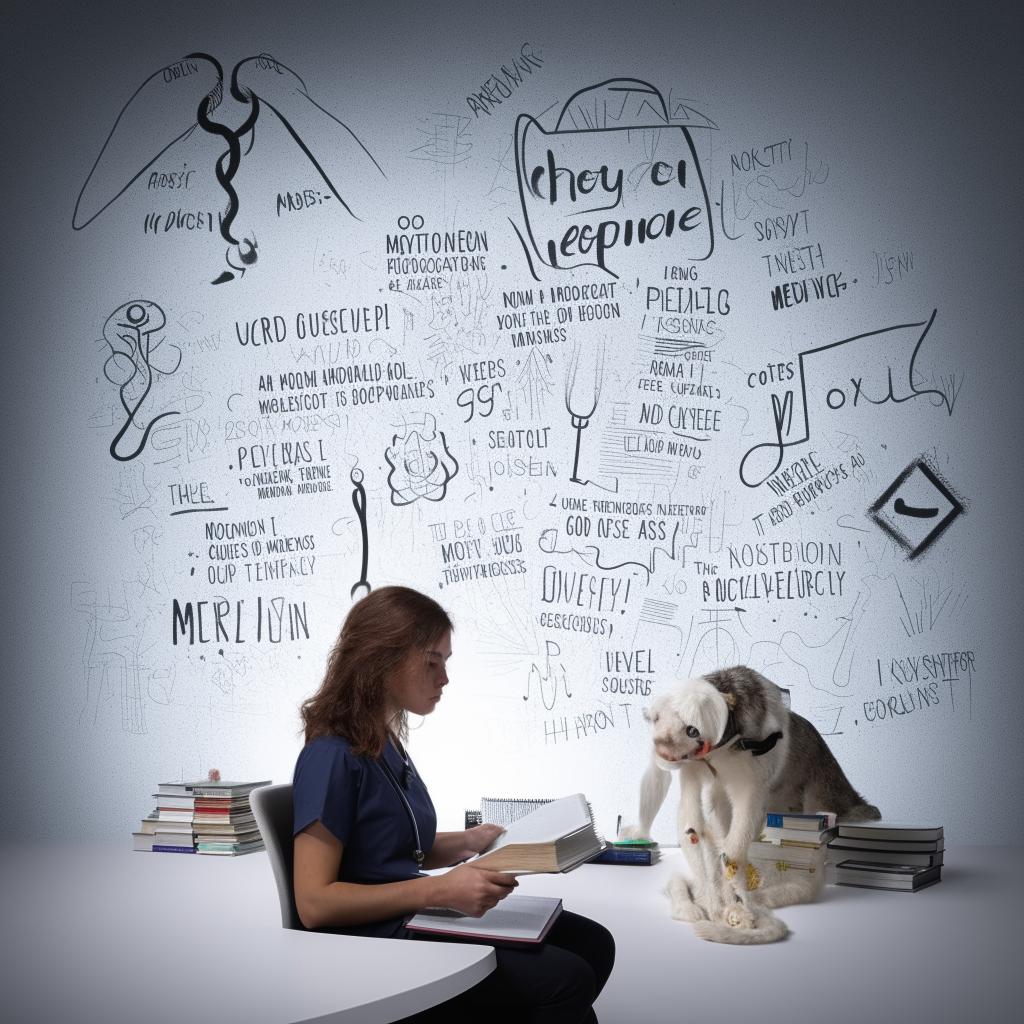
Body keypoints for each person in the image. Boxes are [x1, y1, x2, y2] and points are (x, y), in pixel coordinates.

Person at [293, 585, 615, 1023]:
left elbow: (386, 844)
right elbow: (314, 904)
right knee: (567, 979)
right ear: (381, 658)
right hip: (375, 937)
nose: (444, 679)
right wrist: (439, 889)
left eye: (445, 663)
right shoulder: (330, 755)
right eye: (432, 663)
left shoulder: (383, 741)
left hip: (411, 910)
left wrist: (468, 842)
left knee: (594, 944)